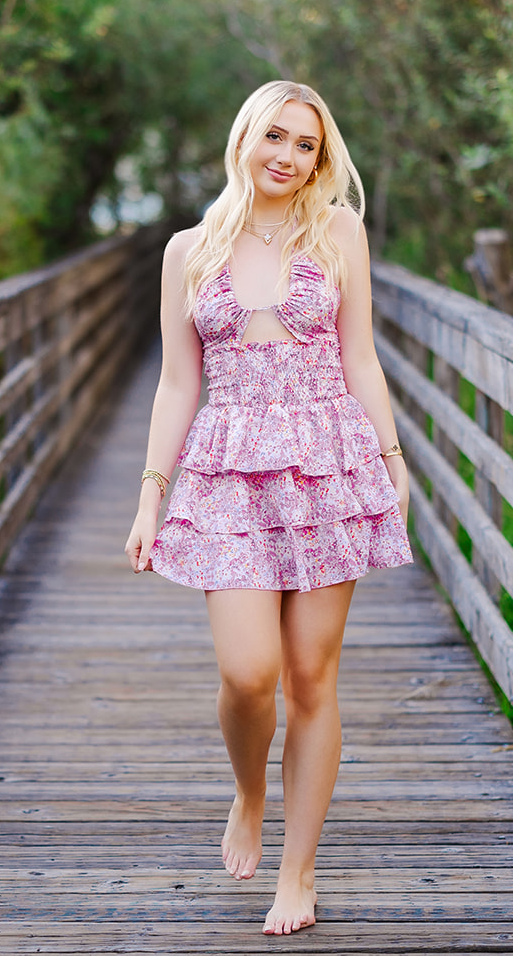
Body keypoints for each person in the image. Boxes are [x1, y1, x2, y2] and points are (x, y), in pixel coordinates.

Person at [124, 79, 412, 935]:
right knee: (249, 674)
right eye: (275, 137)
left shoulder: (339, 233)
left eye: (307, 146)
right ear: (245, 136)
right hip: (228, 473)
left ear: (322, 159)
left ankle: (299, 870)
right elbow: (177, 384)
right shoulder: (190, 249)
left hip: (328, 464)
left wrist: (391, 459)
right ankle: (248, 791)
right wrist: (151, 494)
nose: (288, 156)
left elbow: (360, 358)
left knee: (311, 678)